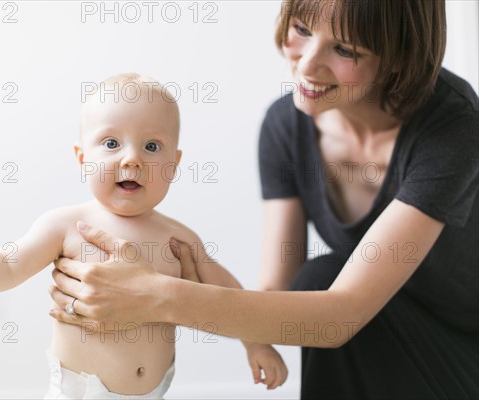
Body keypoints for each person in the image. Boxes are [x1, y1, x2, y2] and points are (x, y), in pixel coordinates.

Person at [48, 2, 479, 399]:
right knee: (316, 281)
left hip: (460, 347)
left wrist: (156, 294)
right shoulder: (284, 124)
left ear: (399, 57)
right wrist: (171, 269)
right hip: (371, 333)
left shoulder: (453, 126)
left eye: (344, 48)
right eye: (301, 28)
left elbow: (340, 316)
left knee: (324, 279)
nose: (307, 64)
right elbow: (274, 293)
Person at [0, 73, 287, 399]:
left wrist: (256, 343)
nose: (131, 159)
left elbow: (227, 293)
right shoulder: (66, 224)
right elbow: (8, 266)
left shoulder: (180, 238)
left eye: (152, 146)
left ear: (174, 165)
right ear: (82, 158)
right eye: (111, 144)